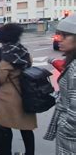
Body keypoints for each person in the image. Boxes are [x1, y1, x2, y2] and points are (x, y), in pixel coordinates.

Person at [0, 23, 36, 155]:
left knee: (4, 128)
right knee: (26, 129)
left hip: (8, 100)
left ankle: (6, 152)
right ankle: (30, 153)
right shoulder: (23, 51)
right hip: (25, 94)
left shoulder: (5, 56)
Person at [44, 14, 76, 154]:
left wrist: (65, 126)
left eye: (65, 36)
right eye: (59, 35)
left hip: (71, 137)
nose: (59, 40)